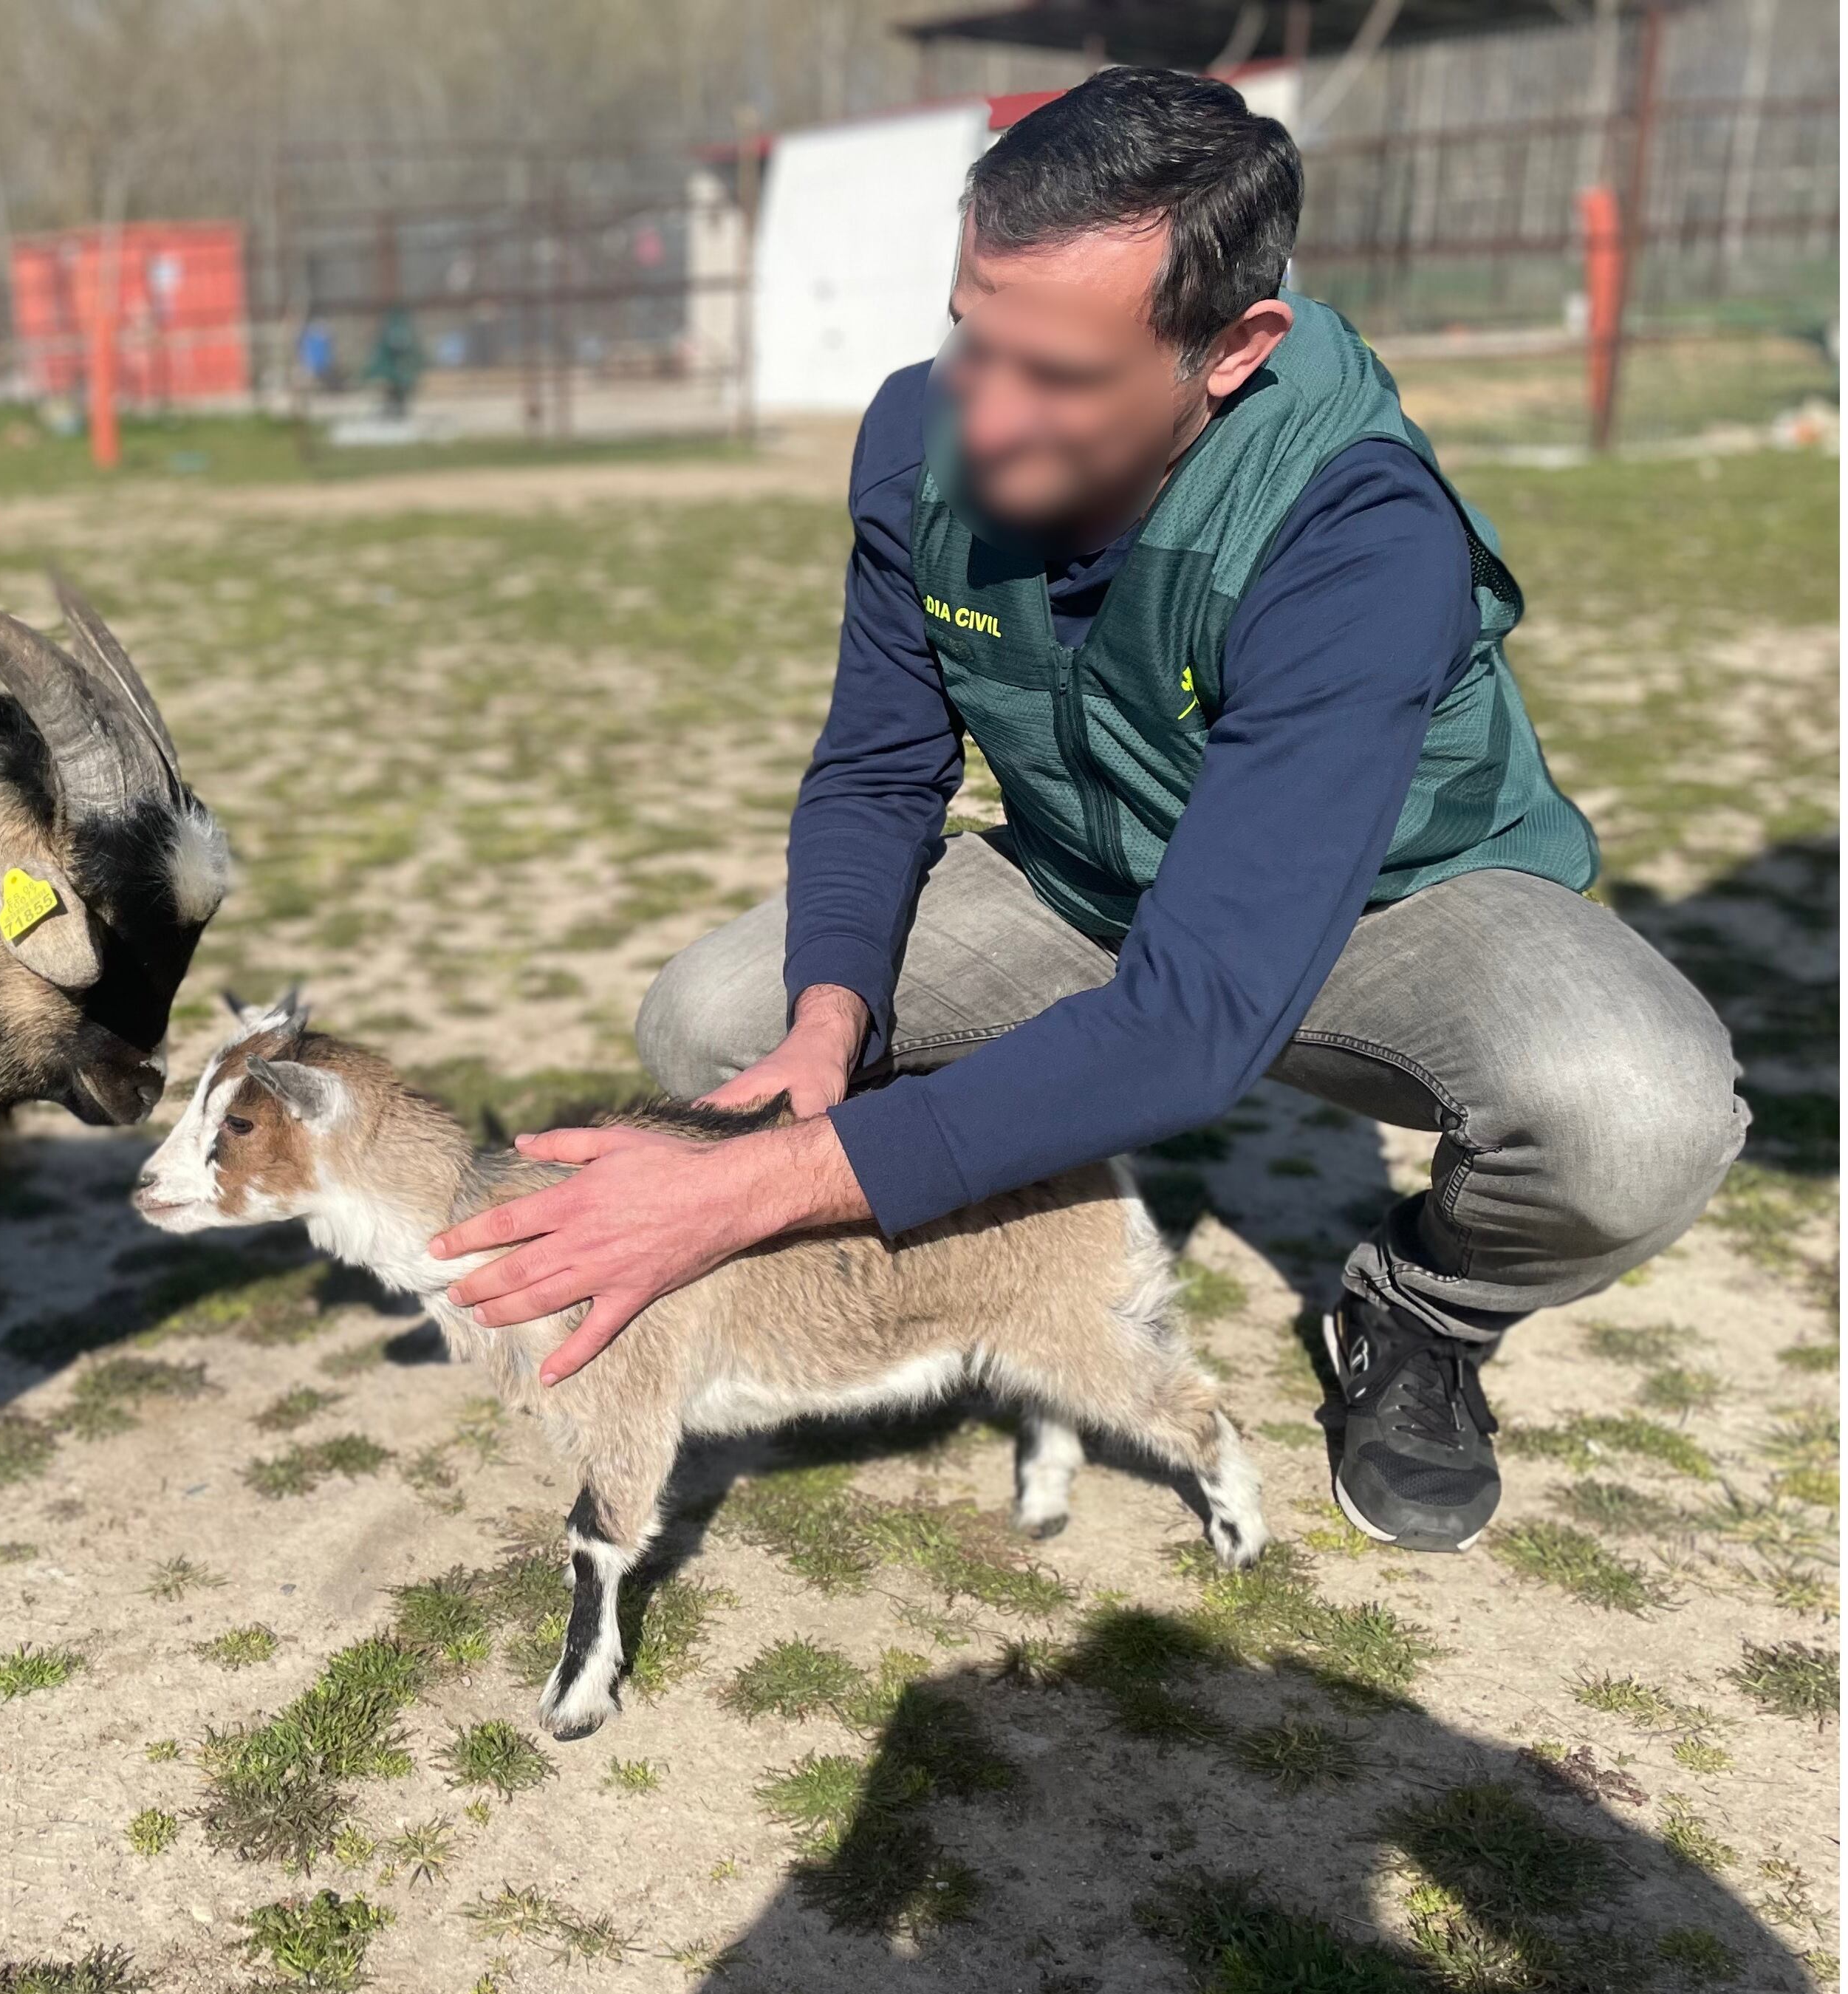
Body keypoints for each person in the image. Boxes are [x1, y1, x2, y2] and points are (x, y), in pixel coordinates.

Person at [429, 67, 1745, 1554]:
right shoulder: (921, 442)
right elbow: (876, 768)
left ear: (1232, 349)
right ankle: (942, 1281)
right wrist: (825, 1027)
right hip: (1089, 876)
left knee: (1638, 1114)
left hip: (1385, 901)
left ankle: (1422, 1316)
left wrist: (738, 1196)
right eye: (971, 337)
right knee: (721, 1017)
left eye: (1056, 377)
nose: (984, 416)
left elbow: (1199, 1015)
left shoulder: (1359, 530)